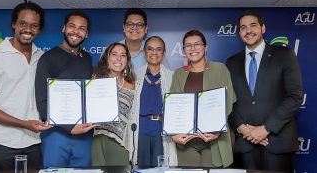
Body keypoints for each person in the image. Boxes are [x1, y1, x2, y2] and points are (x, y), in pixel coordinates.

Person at [226, 10, 303, 171]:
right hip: (245, 146)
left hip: (277, 142)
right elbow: (228, 102)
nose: (248, 31)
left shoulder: (284, 55)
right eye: (243, 27)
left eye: (253, 25)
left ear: (263, 28)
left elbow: (295, 96)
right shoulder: (232, 62)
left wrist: (265, 129)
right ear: (239, 32)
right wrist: (243, 129)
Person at [0, 1, 51, 171]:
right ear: (14, 24)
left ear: (39, 29)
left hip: (33, 142)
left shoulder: (42, 57)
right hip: (3, 143)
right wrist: (24, 124)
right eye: (23, 23)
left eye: (34, 25)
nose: (28, 29)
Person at [35, 11, 96, 168]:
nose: (76, 32)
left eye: (81, 28)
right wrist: (70, 128)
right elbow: (42, 102)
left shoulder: (87, 58)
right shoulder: (48, 58)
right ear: (63, 28)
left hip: (83, 134)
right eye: (72, 26)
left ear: (86, 34)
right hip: (56, 134)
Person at [170, 29, 236, 168]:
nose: (192, 49)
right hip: (187, 141)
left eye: (197, 44)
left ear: (205, 47)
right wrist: (173, 134)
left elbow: (228, 102)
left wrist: (217, 131)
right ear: (184, 50)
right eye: (188, 45)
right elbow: (173, 107)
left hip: (214, 139)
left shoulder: (220, 69)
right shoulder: (179, 74)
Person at [128, 36, 176, 168]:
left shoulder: (173, 76)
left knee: (161, 168)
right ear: (144, 52)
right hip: (140, 128)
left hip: (161, 130)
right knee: (140, 168)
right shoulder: (134, 76)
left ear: (164, 52)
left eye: (158, 49)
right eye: (150, 49)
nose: (154, 53)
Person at [91, 43, 136, 166]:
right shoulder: (95, 80)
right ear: (107, 58)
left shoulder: (133, 84)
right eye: (114, 54)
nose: (118, 58)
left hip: (121, 141)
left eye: (123, 55)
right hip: (98, 138)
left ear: (127, 60)